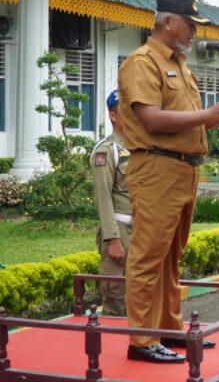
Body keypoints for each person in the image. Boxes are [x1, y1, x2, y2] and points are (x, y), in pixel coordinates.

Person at [118, 0, 219, 363]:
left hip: (183, 170)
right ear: (168, 22)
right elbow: (152, 119)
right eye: (190, 25)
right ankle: (141, 341)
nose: (194, 32)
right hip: (156, 168)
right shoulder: (141, 63)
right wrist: (208, 115)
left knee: (171, 256)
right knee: (148, 256)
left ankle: (168, 329)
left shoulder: (181, 66)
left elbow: (188, 123)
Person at [90, 90, 131, 317]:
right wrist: (112, 239)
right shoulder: (107, 150)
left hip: (142, 230)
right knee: (116, 294)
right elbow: (103, 197)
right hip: (119, 230)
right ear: (113, 116)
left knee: (142, 293)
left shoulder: (140, 148)